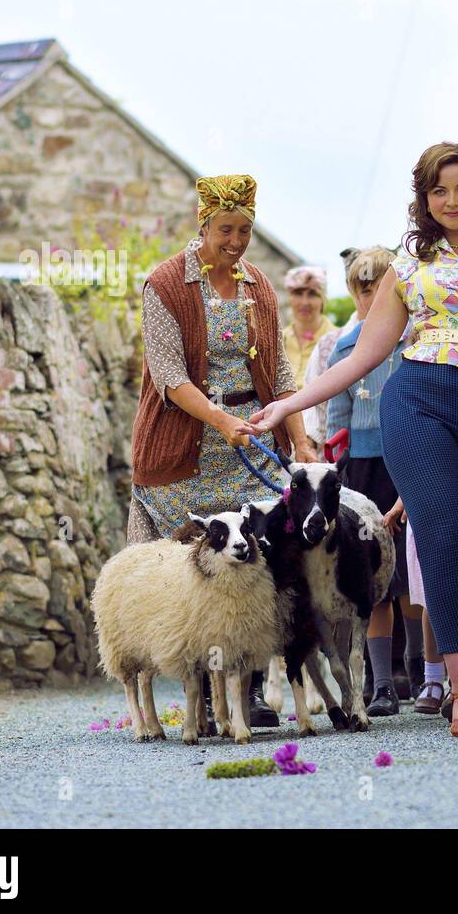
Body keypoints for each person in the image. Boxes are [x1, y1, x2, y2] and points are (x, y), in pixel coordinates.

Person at [245, 141, 458, 738]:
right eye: (437, 191)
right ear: (424, 199)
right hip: (417, 399)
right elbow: (365, 354)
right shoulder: (410, 265)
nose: (450, 200)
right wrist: (287, 405)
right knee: (441, 532)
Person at [128, 173, 318, 729]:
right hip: (186, 442)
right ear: (202, 223)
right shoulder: (165, 285)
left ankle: (250, 688)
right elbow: (167, 374)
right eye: (225, 231)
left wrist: (300, 438)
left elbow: (280, 371)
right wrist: (220, 420)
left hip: (252, 437)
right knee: (197, 568)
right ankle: (204, 694)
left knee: (254, 562)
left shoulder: (258, 284)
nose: (235, 242)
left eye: (245, 231)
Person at [323, 246, 423, 715]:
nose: (368, 296)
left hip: (410, 460)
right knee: (374, 578)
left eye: (376, 287)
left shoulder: (415, 342)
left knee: (411, 579)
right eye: (360, 288)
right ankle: (381, 683)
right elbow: (335, 422)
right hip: (363, 471)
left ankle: (421, 671)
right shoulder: (345, 348)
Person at [281, 265, 338, 454]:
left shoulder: (336, 342)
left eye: (312, 294)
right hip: (282, 434)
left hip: (321, 438)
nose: (304, 302)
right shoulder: (277, 340)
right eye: (298, 293)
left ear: (323, 299)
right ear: (289, 297)